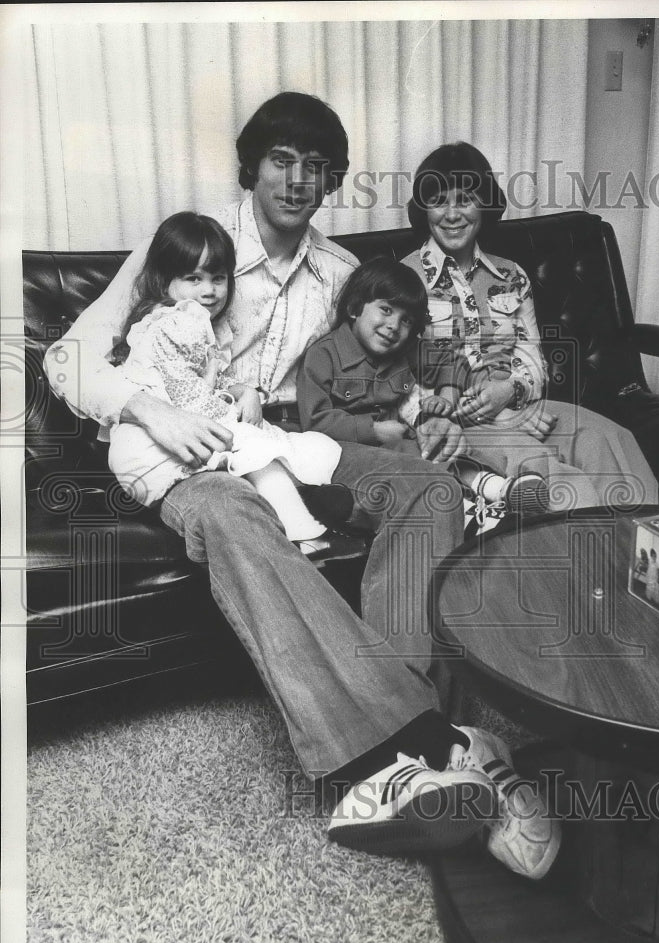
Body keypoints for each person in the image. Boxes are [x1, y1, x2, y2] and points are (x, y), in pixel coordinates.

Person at [44, 92, 560, 880]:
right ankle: (431, 747)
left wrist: (430, 418)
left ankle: (407, 743)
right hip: (191, 457)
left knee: (428, 489)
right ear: (253, 166)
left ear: (330, 182)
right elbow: (66, 358)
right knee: (233, 507)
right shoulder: (192, 247)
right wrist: (150, 408)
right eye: (282, 161)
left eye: (315, 167)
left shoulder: (342, 271)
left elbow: (376, 379)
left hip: (291, 443)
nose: (296, 180)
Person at [401, 142, 659, 511]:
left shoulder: (511, 275)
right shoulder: (402, 279)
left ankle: (644, 558)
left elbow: (531, 359)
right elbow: (393, 376)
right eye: (439, 200)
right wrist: (470, 411)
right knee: (553, 475)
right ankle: (589, 562)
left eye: (465, 199)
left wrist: (511, 393)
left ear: (485, 205)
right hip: (453, 423)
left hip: (520, 405)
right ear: (423, 209)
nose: (452, 213)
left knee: (610, 439)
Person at [108, 210, 341, 549]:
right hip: (158, 443)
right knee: (257, 447)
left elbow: (205, 380)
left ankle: (303, 497)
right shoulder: (175, 324)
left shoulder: (199, 324)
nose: (209, 291)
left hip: (185, 426)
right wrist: (233, 416)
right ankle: (300, 526)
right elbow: (185, 393)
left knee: (272, 447)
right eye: (194, 279)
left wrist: (240, 390)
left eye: (218, 278)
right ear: (165, 281)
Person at [297, 256, 550, 523]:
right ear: (355, 307)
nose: (394, 326)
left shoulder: (404, 349)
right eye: (385, 310)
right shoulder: (322, 355)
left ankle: (497, 488)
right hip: (353, 455)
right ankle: (471, 512)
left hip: (406, 438)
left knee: (445, 446)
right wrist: (373, 430)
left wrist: (446, 395)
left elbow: (452, 362)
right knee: (413, 459)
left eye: (406, 320)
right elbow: (315, 422)